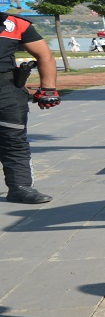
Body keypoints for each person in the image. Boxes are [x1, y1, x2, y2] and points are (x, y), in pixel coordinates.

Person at [1, 12, 60, 204]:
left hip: (6, 91)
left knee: (13, 140)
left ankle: (20, 188)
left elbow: (44, 55)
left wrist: (49, 89)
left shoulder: (16, 24)